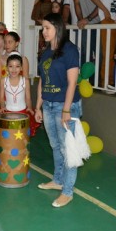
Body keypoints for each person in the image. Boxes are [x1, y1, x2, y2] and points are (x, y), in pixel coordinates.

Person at [35, 13, 81, 208]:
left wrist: (66, 110)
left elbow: (72, 83)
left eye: (47, 28)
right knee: (55, 145)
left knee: (67, 149)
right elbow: (42, 82)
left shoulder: (70, 50)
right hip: (48, 104)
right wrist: (38, 105)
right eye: (42, 28)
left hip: (65, 106)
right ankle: (58, 180)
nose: (43, 32)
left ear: (58, 28)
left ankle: (67, 191)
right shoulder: (45, 52)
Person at [0, 53, 39, 136]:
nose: (14, 69)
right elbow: (1, 97)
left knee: (21, 136)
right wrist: (2, 107)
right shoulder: (3, 81)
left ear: (21, 68)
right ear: (6, 67)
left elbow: (28, 97)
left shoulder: (25, 81)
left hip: (23, 112)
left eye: (17, 66)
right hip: (8, 112)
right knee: (9, 135)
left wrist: (30, 108)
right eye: (11, 66)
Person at [0, 32, 29, 104]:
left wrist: (27, 98)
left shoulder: (23, 59)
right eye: (5, 42)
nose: (7, 45)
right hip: (4, 93)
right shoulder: (0, 59)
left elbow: (26, 78)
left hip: (19, 93)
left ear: (16, 43)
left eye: (10, 42)